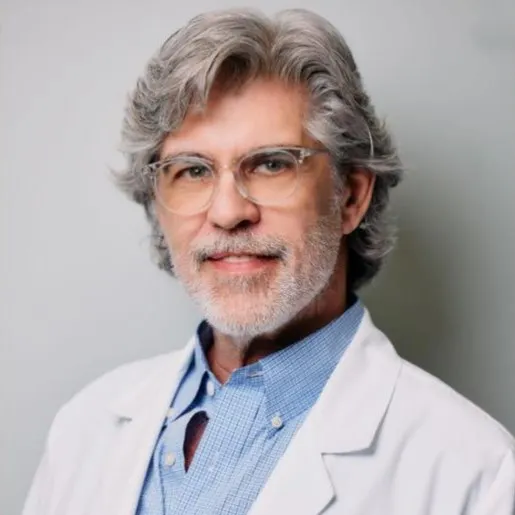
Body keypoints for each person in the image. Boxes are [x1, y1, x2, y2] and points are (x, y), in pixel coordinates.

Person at [23, 8, 515, 515]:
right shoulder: (84, 430)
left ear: (350, 197)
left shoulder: (474, 474)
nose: (228, 212)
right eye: (193, 170)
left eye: (272, 164)